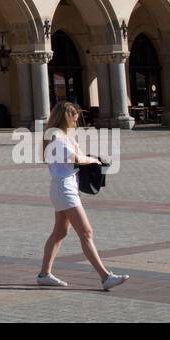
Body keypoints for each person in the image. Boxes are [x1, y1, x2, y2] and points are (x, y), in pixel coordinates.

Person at [37, 101, 129, 291]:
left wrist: (85, 154)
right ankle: (105, 277)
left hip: (65, 186)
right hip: (64, 188)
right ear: (65, 117)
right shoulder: (56, 136)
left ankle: (44, 274)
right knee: (86, 232)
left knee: (60, 232)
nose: (76, 122)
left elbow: (77, 155)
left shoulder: (63, 135)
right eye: (74, 118)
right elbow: (76, 159)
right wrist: (94, 160)